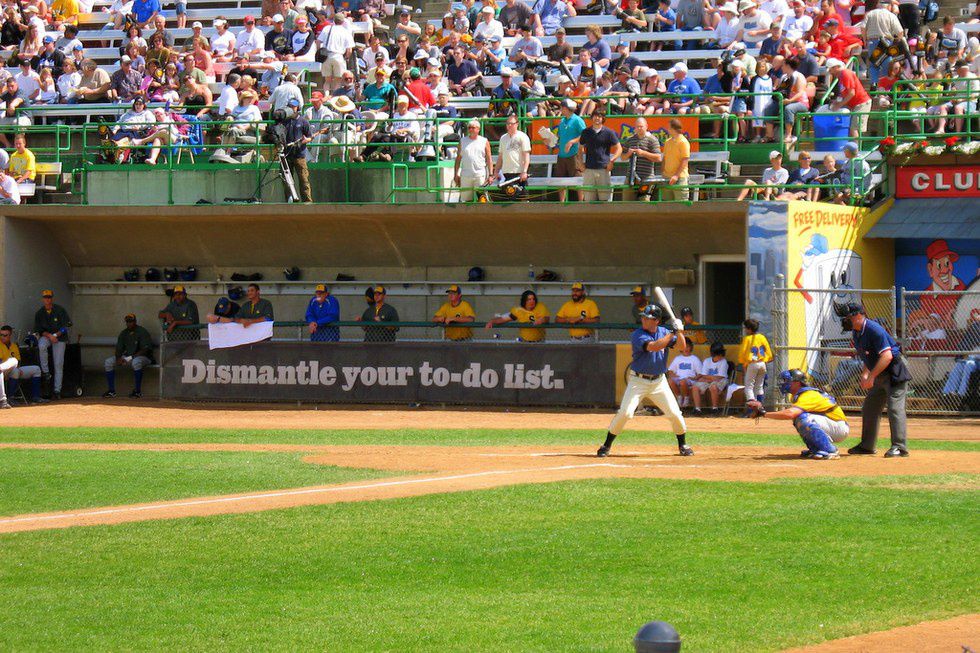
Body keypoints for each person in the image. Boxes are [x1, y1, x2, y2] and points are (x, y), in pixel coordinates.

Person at [598, 304, 693, 458]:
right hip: (638, 381)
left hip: (659, 382)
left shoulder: (664, 332)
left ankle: (683, 444)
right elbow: (654, 347)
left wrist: (680, 332)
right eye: (643, 317)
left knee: (675, 414)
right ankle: (606, 445)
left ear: (656, 321)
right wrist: (673, 333)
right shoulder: (638, 334)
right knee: (625, 413)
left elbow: (682, 346)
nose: (643, 320)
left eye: (647, 318)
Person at [838, 303, 911, 458]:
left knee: (894, 409)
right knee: (870, 407)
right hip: (879, 372)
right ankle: (867, 446)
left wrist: (871, 376)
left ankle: (899, 447)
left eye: (847, 317)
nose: (844, 320)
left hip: (893, 372)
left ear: (858, 315)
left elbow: (887, 356)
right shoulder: (857, 332)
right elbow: (868, 354)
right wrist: (865, 374)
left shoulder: (874, 329)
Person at [749, 369, 849, 459]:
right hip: (831, 424)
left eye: (787, 381)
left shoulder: (808, 395)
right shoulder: (801, 394)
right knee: (799, 418)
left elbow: (790, 414)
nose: (783, 383)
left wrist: (764, 413)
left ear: (797, 382)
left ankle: (830, 450)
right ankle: (816, 449)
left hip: (838, 427)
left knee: (803, 418)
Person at [566, 110, 621, 202]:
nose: (597, 118)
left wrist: (612, 161)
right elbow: (580, 148)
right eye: (595, 116)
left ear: (603, 118)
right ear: (592, 118)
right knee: (589, 200)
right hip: (589, 170)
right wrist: (580, 163)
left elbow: (619, 148)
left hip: (604, 170)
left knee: (605, 200)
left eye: (599, 116)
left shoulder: (609, 132)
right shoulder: (585, 132)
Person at [102, 313, 153, 399]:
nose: (129, 323)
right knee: (108, 362)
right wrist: (118, 358)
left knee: (136, 362)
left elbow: (145, 350)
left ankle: (137, 392)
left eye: (131, 321)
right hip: (128, 357)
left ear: (135, 321)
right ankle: (111, 391)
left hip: (144, 358)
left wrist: (129, 358)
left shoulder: (142, 331)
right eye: (127, 322)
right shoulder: (124, 333)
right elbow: (119, 348)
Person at [34, 290, 71, 400]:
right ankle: (46, 372)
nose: (47, 299)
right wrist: (50, 336)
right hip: (48, 336)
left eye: (49, 297)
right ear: (43, 299)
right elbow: (39, 330)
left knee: (58, 363)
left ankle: (57, 390)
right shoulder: (40, 313)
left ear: (52, 298)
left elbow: (67, 326)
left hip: (60, 337)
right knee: (41, 345)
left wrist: (56, 335)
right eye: (45, 297)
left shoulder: (60, 310)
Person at [0, 325, 43, 405]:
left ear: (10, 335)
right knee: (15, 369)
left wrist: (18, 368)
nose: (2, 337)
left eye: (5, 335)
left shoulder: (14, 346)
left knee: (36, 369)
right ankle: (10, 397)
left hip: (14, 368)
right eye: (1, 335)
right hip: (3, 371)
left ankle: (36, 397)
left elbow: (18, 360)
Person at [281, 97, 314, 203]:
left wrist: (305, 140)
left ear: (297, 107)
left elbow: (310, 137)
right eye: (290, 106)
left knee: (304, 179)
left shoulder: (303, 121)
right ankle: (290, 200)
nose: (292, 108)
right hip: (286, 154)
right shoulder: (283, 121)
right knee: (286, 180)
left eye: (293, 106)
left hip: (299, 155)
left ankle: (307, 201)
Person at [738, 317, 772, 416]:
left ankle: (751, 411)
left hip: (752, 364)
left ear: (749, 329)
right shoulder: (762, 337)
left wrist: (743, 363)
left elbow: (742, 354)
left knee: (749, 387)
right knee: (759, 386)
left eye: (746, 328)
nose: (745, 330)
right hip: (762, 363)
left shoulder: (747, 339)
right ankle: (760, 409)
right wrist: (766, 359)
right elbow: (768, 352)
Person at [453, 120, 493, 202]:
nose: (471, 129)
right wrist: (456, 174)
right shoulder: (462, 141)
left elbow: (489, 159)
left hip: (479, 174)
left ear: (478, 129)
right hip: (466, 175)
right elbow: (458, 159)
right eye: (469, 128)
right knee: (466, 200)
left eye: (473, 128)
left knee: (481, 199)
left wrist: (490, 174)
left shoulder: (484, 141)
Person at [622, 117, 661, 201]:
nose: (639, 128)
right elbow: (623, 157)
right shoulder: (629, 140)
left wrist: (643, 153)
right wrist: (629, 153)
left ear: (646, 126)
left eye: (641, 126)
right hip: (631, 177)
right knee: (626, 203)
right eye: (637, 126)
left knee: (644, 202)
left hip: (647, 178)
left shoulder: (652, 140)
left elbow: (658, 158)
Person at [555, 98, 585, 202]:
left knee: (577, 178)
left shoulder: (577, 120)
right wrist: (549, 139)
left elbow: (585, 135)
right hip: (561, 154)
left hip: (574, 154)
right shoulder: (562, 121)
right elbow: (559, 137)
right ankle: (562, 202)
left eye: (562, 107)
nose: (561, 109)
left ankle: (581, 202)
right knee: (560, 180)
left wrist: (572, 141)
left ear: (567, 108)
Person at [692, 342, 729, 414]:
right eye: (718, 355)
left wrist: (707, 379)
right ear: (713, 354)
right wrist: (709, 378)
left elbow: (720, 377)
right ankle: (697, 409)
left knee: (713, 387)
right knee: (695, 387)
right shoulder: (707, 361)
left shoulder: (723, 361)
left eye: (721, 354)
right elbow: (703, 375)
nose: (720, 356)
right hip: (707, 380)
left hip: (721, 380)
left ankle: (715, 408)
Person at [661, 118, 691, 201]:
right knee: (666, 204)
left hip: (680, 178)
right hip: (667, 177)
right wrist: (663, 171)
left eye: (669, 128)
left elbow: (685, 160)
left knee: (681, 204)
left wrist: (676, 175)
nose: (667, 129)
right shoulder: (667, 142)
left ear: (674, 129)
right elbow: (665, 157)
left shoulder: (683, 142)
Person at [668, 340, 701, 410]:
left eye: (688, 347)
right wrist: (673, 375)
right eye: (684, 347)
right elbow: (670, 370)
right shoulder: (678, 358)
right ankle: (679, 397)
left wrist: (694, 378)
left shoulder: (694, 359)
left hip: (690, 379)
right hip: (679, 378)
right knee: (670, 381)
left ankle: (686, 398)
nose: (686, 349)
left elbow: (700, 373)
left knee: (682, 382)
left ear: (691, 347)